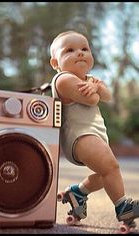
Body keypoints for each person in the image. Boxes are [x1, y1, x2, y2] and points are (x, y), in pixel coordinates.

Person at [49, 30, 139, 226]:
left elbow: (108, 96)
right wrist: (95, 88)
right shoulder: (64, 79)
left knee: (105, 175)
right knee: (111, 168)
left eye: (84, 49)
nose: (79, 53)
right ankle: (123, 207)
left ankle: (77, 193)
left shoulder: (88, 79)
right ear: (55, 63)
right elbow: (93, 99)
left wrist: (97, 87)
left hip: (93, 134)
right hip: (80, 137)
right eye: (69, 50)